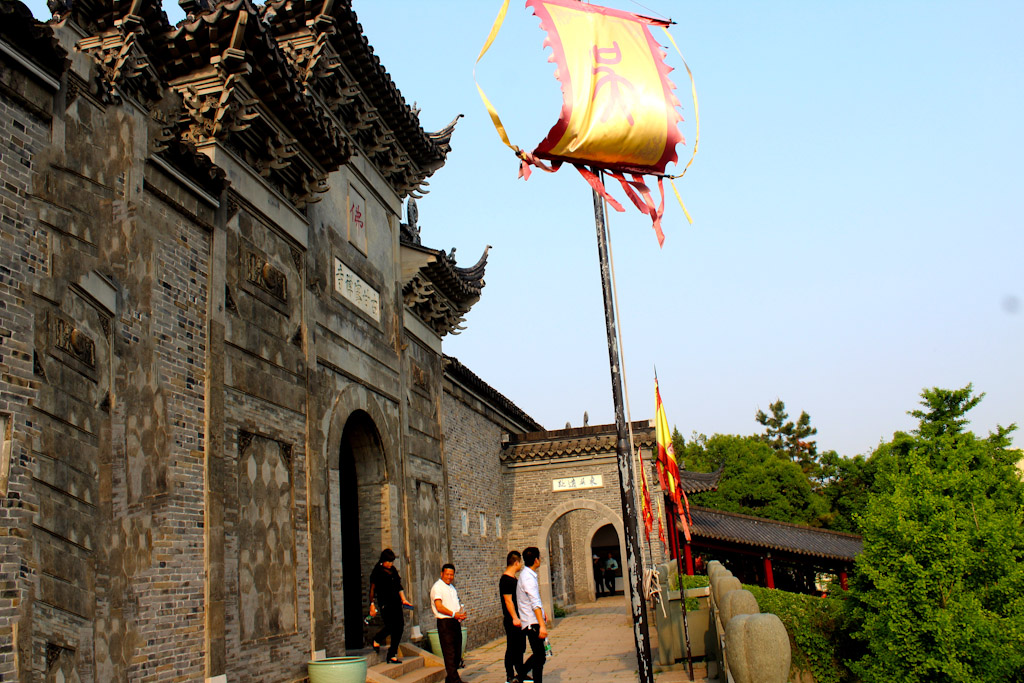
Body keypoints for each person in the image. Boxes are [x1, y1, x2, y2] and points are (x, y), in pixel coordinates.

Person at [368, 548, 414, 663]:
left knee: (399, 627)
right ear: (383, 560)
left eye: (392, 561)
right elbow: (372, 589)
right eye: (388, 561)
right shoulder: (377, 571)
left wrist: (404, 600)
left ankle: (392, 654)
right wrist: (372, 604)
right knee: (391, 626)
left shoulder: (393, 570)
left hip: (396, 602)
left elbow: (399, 586)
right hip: (385, 603)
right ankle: (377, 638)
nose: (390, 564)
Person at [430, 563, 467, 683]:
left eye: (451, 574)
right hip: (445, 622)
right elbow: (439, 606)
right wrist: (453, 614)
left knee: (457, 653)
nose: (449, 577)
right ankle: (455, 680)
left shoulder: (452, 588)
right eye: (447, 574)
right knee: (449, 653)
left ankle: (450, 679)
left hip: (455, 621)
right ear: (442, 574)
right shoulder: (438, 587)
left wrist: (459, 615)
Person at [516, 546, 547, 683]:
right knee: (540, 655)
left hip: (532, 620)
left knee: (540, 656)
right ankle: (519, 675)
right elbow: (535, 603)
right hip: (532, 622)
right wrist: (542, 626)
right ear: (536, 560)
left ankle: (532, 679)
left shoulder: (527, 575)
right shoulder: (528, 578)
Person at [500, 551, 526, 683]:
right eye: (520, 562)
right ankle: (510, 674)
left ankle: (520, 672)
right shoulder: (505, 580)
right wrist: (515, 617)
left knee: (520, 647)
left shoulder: (514, 579)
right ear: (516, 563)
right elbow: (508, 600)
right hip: (512, 620)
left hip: (519, 619)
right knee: (512, 647)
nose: (521, 565)